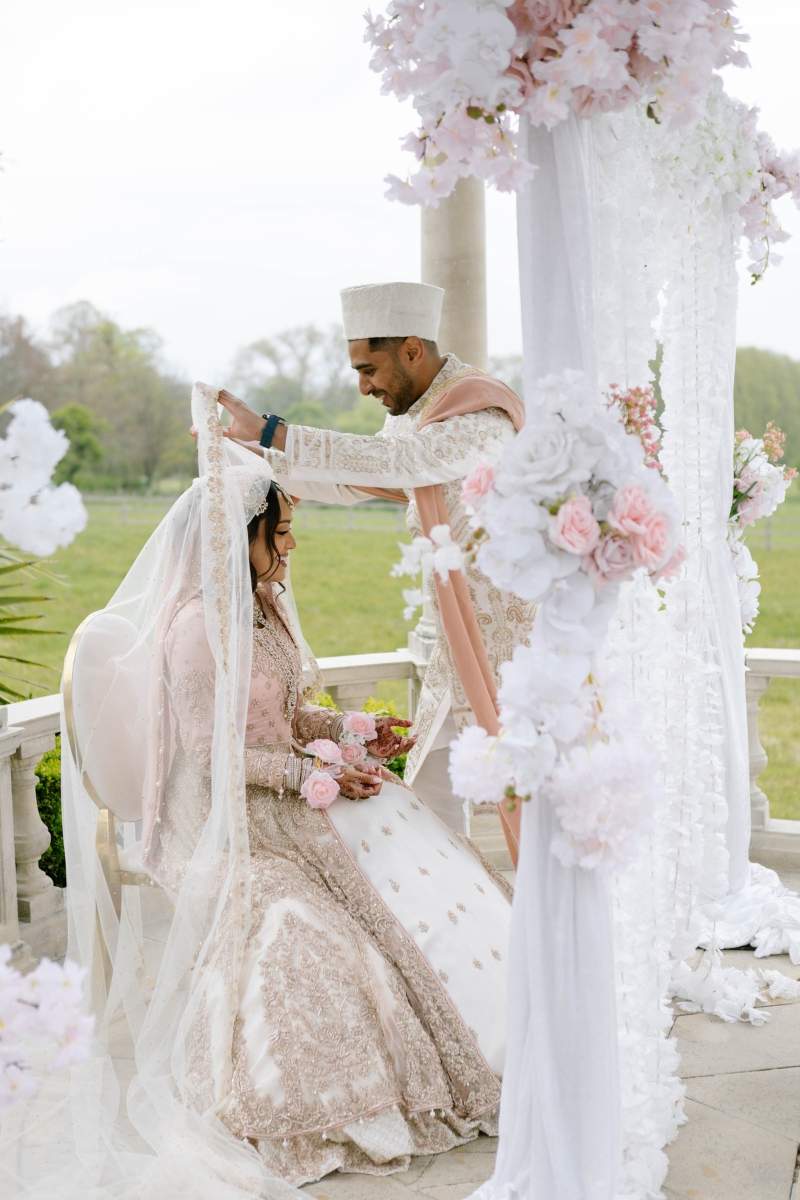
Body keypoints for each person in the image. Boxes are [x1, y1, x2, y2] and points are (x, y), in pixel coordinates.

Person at [39, 389, 510, 1199]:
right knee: (317, 941)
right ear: (239, 538)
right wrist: (310, 774)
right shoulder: (197, 629)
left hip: (301, 797)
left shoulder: (264, 610)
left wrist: (358, 731)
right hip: (240, 824)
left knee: (412, 848)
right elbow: (216, 755)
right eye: (280, 531)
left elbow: (292, 710)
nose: (290, 546)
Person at [215, 281, 534, 856]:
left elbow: (400, 462)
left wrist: (271, 430)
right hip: (460, 652)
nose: (364, 387)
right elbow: (354, 478)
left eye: (370, 369)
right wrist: (257, 458)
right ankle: (447, 937)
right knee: (427, 812)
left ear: (412, 349)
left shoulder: (479, 410)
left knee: (531, 807)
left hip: (519, 658)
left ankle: (555, 932)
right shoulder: (422, 416)